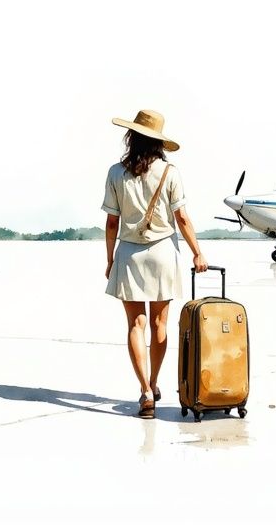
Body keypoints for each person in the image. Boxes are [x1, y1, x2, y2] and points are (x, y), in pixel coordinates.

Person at [101, 109, 208, 420]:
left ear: (131, 137)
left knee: (136, 325)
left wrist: (109, 259)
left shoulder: (115, 173)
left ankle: (145, 391)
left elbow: (111, 223)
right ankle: (155, 381)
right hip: (162, 253)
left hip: (129, 253)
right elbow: (182, 218)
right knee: (160, 325)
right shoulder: (170, 172)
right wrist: (197, 252)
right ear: (159, 142)